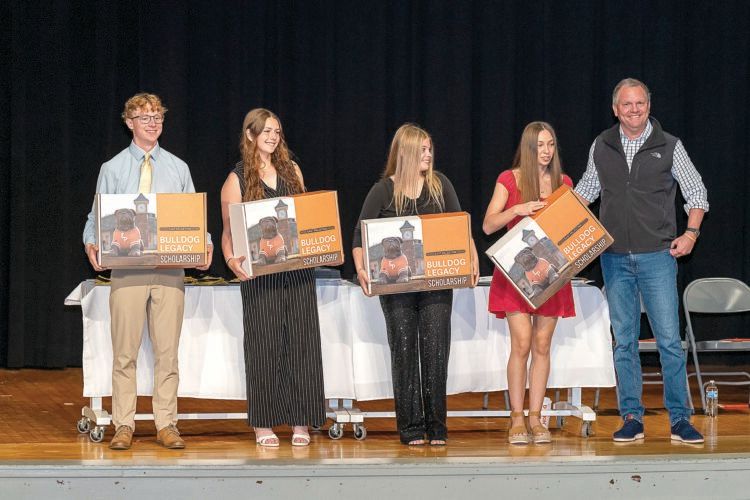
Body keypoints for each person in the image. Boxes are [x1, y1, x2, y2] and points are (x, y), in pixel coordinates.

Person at [575, 78, 709, 444]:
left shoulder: (670, 145)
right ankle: (631, 417)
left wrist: (691, 233)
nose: (634, 110)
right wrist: (550, 222)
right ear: (615, 109)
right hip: (614, 258)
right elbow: (586, 191)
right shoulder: (601, 146)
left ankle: (680, 419)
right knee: (624, 343)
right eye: (627, 105)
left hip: (658, 258)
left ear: (648, 106)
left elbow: (696, 191)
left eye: (640, 104)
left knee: (668, 340)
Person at [83, 92, 213, 450]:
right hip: (127, 271)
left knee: (167, 354)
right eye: (145, 117)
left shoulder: (178, 167)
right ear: (129, 123)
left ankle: (166, 424)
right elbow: (96, 219)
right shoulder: (112, 169)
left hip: (169, 271)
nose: (153, 123)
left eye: (157, 117)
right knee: (124, 353)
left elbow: (193, 219)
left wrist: (206, 243)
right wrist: (92, 243)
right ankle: (123, 425)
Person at [352, 123, 479, 446]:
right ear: (405, 152)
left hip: (436, 285)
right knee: (404, 351)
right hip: (396, 289)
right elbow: (359, 237)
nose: (428, 154)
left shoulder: (440, 185)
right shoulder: (382, 190)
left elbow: (459, 227)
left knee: (436, 351)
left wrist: (472, 258)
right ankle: (410, 427)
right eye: (422, 149)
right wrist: (362, 269)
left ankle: (437, 426)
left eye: (429, 149)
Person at [221, 108, 326, 447]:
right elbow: (228, 234)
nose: (272, 136)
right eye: (266, 130)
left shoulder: (292, 170)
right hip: (261, 277)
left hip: (296, 272)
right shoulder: (236, 179)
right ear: (250, 135)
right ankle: (263, 423)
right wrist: (231, 260)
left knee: (301, 343)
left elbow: (306, 218)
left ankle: (300, 420)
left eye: (277, 131)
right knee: (264, 346)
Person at [482, 121, 576, 445]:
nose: (547, 151)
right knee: (521, 344)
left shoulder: (564, 182)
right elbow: (488, 224)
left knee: (542, 345)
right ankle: (517, 417)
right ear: (528, 148)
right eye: (540, 146)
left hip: (551, 273)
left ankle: (537, 418)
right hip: (515, 274)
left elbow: (569, 229)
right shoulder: (509, 180)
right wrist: (518, 210)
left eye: (551, 144)